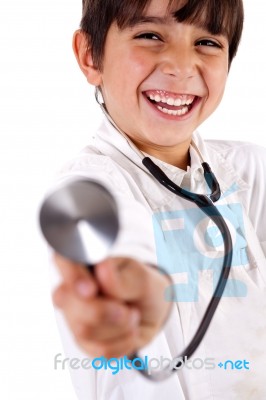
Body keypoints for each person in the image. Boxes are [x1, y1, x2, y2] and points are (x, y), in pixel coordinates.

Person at [50, 0, 266, 399]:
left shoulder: (249, 171)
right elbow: (116, 238)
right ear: (90, 55)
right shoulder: (88, 188)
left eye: (206, 42)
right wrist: (125, 288)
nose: (182, 66)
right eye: (150, 35)